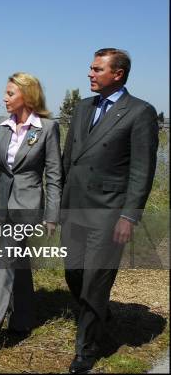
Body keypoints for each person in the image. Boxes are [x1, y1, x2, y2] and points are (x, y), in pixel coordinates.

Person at [60, 48, 159, 374]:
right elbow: (67, 160)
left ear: (117, 74)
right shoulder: (83, 108)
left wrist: (129, 216)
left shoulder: (139, 112)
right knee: (73, 273)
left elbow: (141, 169)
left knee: (95, 282)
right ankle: (101, 311)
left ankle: (87, 350)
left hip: (108, 212)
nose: (90, 73)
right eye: (90, 67)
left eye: (97, 69)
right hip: (75, 208)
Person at [0, 72, 62, 354]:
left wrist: (51, 214)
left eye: (10, 93)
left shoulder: (46, 128)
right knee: (18, 261)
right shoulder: (2, 128)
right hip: (3, 205)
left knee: (5, 262)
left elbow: (54, 175)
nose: (4, 98)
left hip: (27, 207)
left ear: (27, 95)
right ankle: (22, 320)